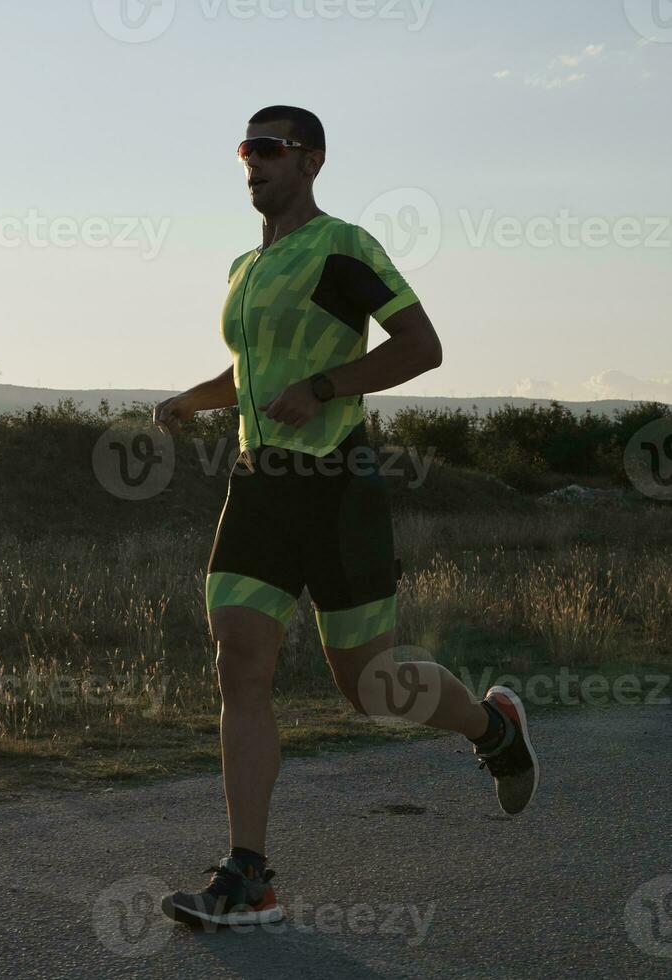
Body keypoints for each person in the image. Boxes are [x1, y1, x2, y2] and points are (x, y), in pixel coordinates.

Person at [151, 106, 541, 929]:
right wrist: (197, 397)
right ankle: (247, 874)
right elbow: (254, 374)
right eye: (243, 150)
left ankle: (493, 727)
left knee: (369, 685)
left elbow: (420, 346)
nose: (252, 162)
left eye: (269, 149)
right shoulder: (242, 267)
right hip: (257, 485)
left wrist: (327, 389)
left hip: (336, 486)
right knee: (239, 659)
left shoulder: (342, 248)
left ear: (312, 161)